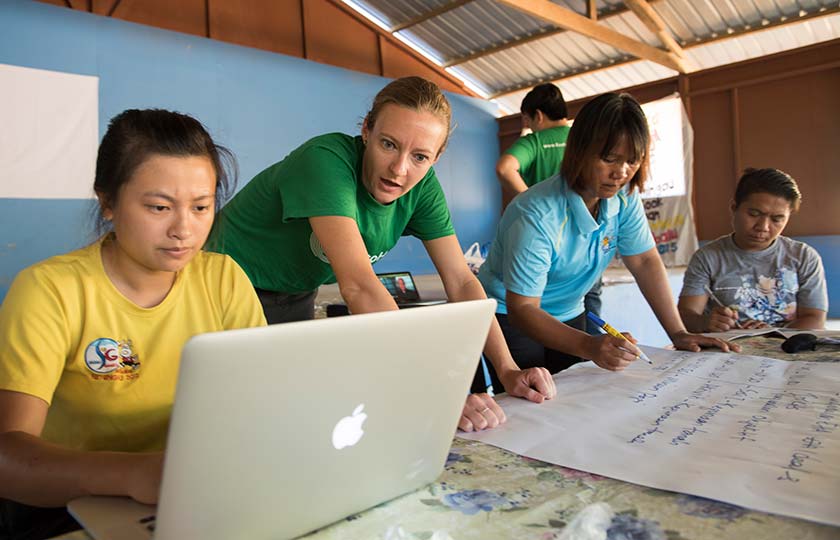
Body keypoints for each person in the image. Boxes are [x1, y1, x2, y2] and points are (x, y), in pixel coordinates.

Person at [205, 76, 556, 432]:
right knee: (229, 412)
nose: (400, 169)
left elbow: (462, 281)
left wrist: (507, 368)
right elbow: (358, 284)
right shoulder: (325, 161)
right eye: (389, 144)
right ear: (367, 130)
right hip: (217, 287)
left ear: (437, 156)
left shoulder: (422, 190)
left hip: (294, 292)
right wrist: (439, 390)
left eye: (420, 156)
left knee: (282, 413)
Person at [0, 109, 266, 540]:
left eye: (201, 207)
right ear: (107, 202)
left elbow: (261, 402)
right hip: (65, 507)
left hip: (191, 494)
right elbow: (8, 456)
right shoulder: (50, 290)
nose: (184, 229)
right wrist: (133, 474)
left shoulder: (224, 278)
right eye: (159, 207)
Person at [477, 92, 735, 392]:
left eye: (632, 161)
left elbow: (644, 260)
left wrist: (678, 332)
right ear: (579, 151)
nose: (621, 173)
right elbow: (523, 307)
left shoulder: (624, 198)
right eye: (609, 159)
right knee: (530, 395)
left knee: (575, 394)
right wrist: (589, 345)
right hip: (509, 315)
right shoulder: (536, 212)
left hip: (568, 309)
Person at [496, 83, 604, 336]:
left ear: (538, 115)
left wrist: (529, 201)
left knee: (539, 315)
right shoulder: (581, 140)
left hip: (546, 242)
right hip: (589, 244)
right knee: (590, 318)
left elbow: (504, 168)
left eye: (527, 119)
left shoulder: (535, 142)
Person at [678, 168, 827, 332]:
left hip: (786, 349)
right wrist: (705, 323)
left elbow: (815, 319)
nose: (763, 227)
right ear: (734, 207)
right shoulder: (707, 258)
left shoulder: (804, 256)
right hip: (729, 351)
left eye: (777, 219)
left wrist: (769, 335)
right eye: (754, 214)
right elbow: (687, 315)